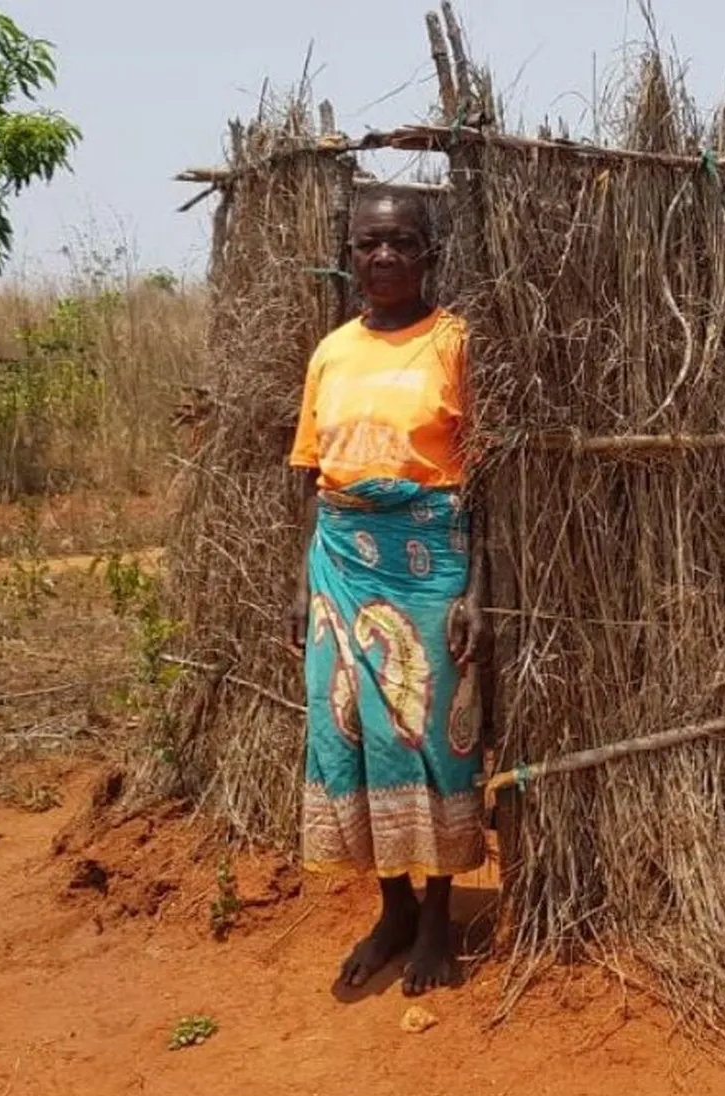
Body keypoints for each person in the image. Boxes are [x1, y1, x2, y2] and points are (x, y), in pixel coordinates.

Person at [284, 186, 486, 996]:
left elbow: (489, 480)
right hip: (338, 561)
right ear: (350, 253)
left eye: (402, 242)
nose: (384, 259)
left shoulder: (456, 344)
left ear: (429, 253)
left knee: (430, 737)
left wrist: (479, 588)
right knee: (348, 734)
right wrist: (301, 584)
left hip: (429, 558)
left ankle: (439, 918)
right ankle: (392, 907)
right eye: (369, 244)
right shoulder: (331, 351)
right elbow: (312, 477)